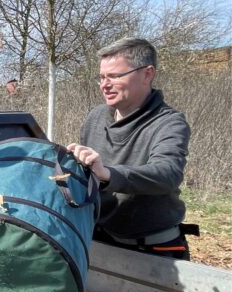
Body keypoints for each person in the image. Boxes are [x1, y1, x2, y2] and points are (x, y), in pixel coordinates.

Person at [67, 37, 194, 260]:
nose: (104, 85)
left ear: (147, 74)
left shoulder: (169, 122)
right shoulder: (95, 117)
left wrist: (108, 174)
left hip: (152, 249)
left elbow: (167, 174)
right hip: (97, 241)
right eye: (101, 77)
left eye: (114, 76)